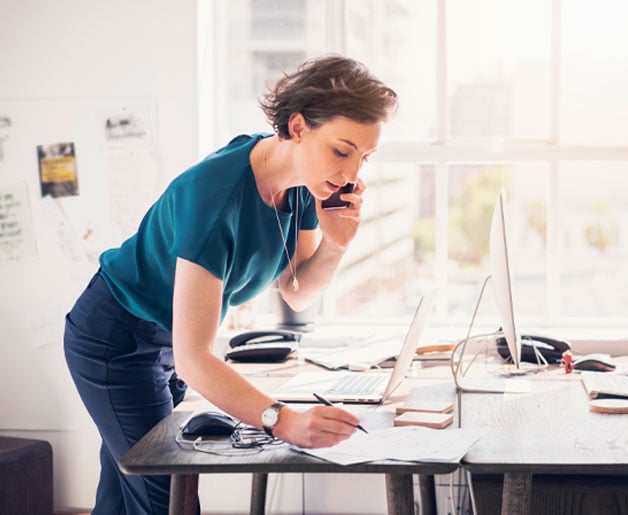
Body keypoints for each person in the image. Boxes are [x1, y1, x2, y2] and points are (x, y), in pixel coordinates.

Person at [63, 54, 398, 515]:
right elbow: (194, 359)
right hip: (116, 337)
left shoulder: (303, 183)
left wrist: (336, 245)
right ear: (298, 127)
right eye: (342, 151)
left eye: (364, 157)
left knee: (125, 495)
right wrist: (283, 422)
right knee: (167, 498)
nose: (352, 175)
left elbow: (296, 290)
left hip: (164, 340)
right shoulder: (215, 197)